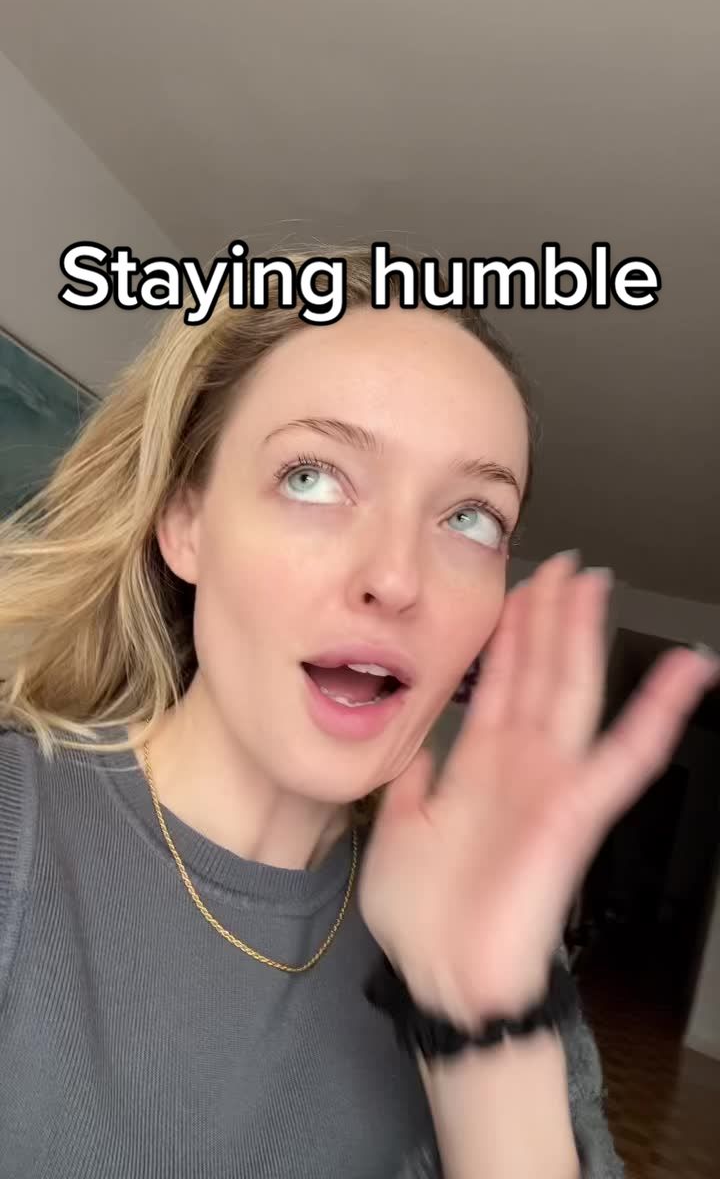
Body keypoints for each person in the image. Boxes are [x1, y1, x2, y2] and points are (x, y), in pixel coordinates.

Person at [0, 246, 716, 1179]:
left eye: (470, 517)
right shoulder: (18, 824)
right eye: (312, 476)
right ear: (185, 524)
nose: (397, 578)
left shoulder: (493, 937)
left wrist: (480, 1025)